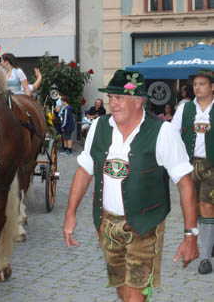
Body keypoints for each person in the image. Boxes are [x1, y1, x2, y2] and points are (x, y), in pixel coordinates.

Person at [64, 69, 199, 302]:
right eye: (111, 98)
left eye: (119, 98)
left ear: (138, 101)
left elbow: (186, 183)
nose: (112, 104)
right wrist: (70, 213)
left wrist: (190, 235)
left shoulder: (161, 132)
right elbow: (85, 170)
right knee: (121, 288)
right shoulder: (99, 127)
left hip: (145, 225)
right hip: (105, 223)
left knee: (135, 293)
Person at [171, 68, 214, 275]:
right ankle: (202, 242)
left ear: (212, 87)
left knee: (207, 206)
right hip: (189, 165)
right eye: (195, 84)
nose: (197, 87)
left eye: (202, 84)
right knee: (193, 208)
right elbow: (172, 134)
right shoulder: (185, 108)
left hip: (211, 165)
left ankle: (205, 257)